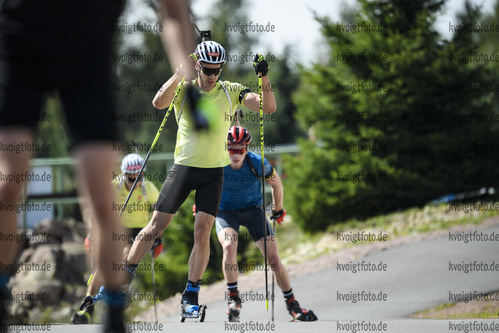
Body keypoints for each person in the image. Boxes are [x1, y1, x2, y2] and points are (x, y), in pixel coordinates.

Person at [0, 0, 197, 331]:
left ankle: (114, 313)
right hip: (20, 49)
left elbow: (173, 10)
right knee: (8, 184)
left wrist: (188, 77)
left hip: (87, 61)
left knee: (101, 194)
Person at [125, 40, 277, 316]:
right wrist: (179, 73)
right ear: (198, 66)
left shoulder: (230, 91)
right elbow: (158, 102)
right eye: (207, 69)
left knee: (203, 231)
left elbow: (268, 107)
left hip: (213, 173)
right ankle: (126, 272)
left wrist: (264, 76)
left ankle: (191, 293)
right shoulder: (184, 90)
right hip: (183, 169)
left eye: (216, 70)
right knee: (157, 226)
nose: (212, 75)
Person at [215, 126, 318, 322]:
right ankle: (233, 298)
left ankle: (292, 304)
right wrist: (201, 206)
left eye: (240, 150)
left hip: (254, 211)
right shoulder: (217, 162)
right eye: (231, 149)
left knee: (273, 258)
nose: (235, 155)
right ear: (226, 147)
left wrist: (278, 210)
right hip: (226, 212)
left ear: (247, 148)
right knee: (229, 246)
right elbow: (201, 183)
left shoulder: (256, 162)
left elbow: (277, 184)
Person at [71, 153, 160, 324]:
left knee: (125, 253)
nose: (134, 181)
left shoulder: (148, 188)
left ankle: (114, 300)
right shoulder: (115, 185)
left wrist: (158, 237)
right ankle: (88, 306)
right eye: (130, 177)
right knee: (102, 266)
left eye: (138, 176)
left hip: (138, 231)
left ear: (143, 174)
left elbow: (160, 210)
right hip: (117, 226)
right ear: (124, 174)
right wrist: (92, 233)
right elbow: (96, 208)